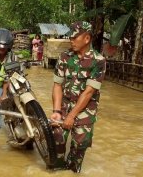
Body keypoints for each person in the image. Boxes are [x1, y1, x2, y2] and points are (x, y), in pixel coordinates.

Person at [50, 21, 106, 173]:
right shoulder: (64, 57)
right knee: (56, 141)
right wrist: (57, 111)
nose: (71, 40)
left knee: (78, 149)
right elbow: (57, 85)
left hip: (85, 110)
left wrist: (72, 116)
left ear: (87, 39)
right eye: (70, 37)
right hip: (64, 106)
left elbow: (89, 92)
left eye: (75, 38)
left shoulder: (98, 61)